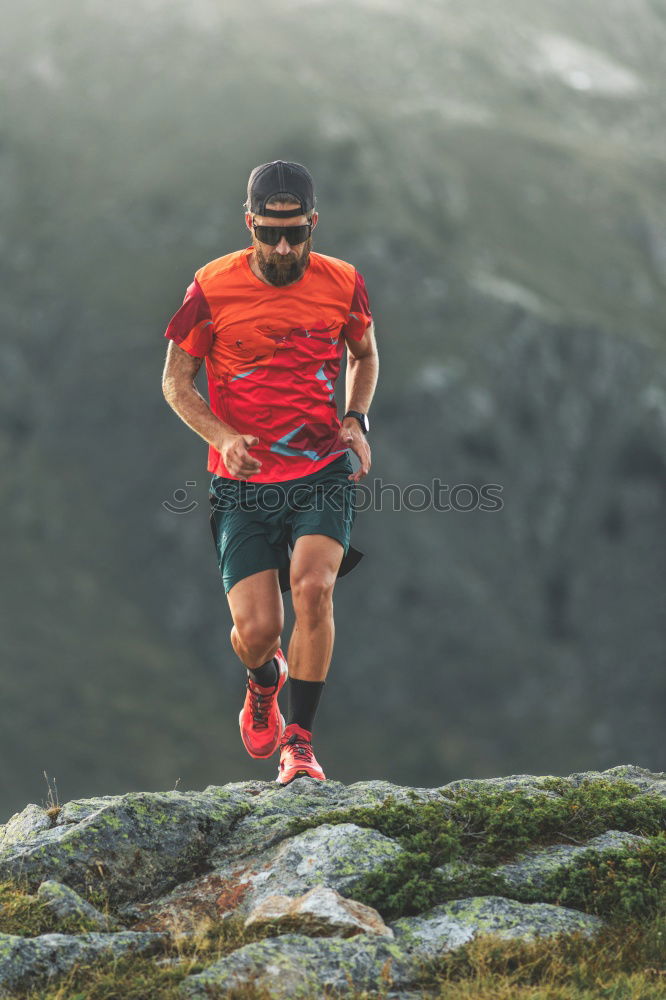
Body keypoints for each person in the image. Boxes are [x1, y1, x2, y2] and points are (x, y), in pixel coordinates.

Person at [161, 160, 379, 785]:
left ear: (313, 223)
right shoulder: (210, 287)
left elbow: (363, 353)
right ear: (249, 222)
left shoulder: (344, 283)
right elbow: (176, 382)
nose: (283, 248)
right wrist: (222, 437)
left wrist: (357, 417)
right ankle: (264, 680)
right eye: (270, 233)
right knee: (256, 632)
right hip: (243, 484)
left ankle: (301, 744)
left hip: (320, 470)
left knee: (314, 589)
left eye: (296, 234)